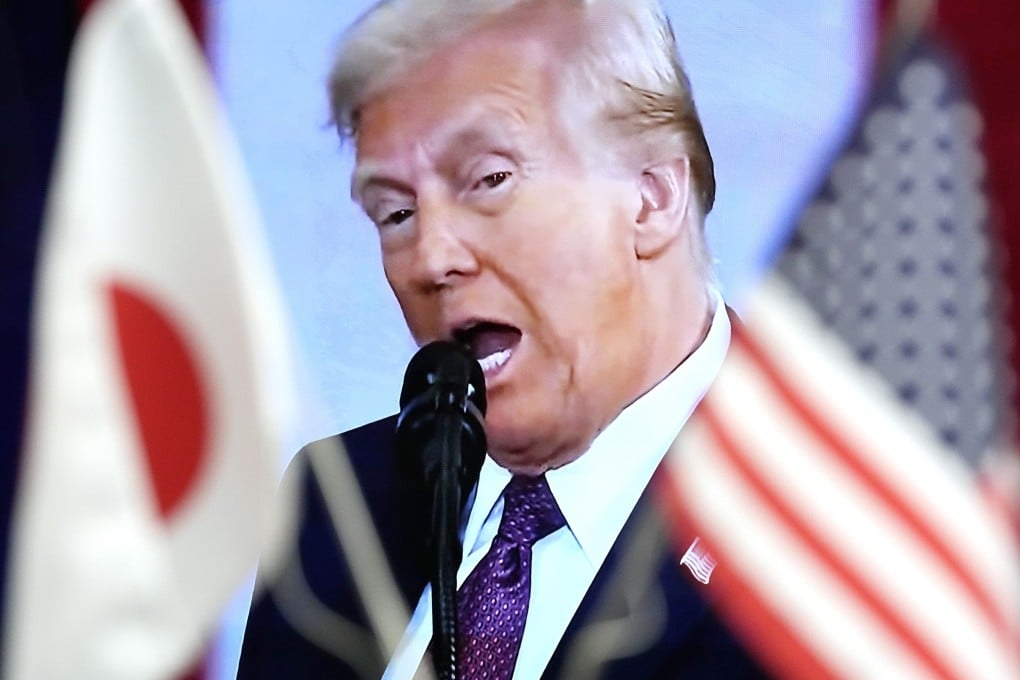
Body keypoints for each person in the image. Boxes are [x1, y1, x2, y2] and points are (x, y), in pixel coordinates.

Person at [239, 0, 767, 677]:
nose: (430, 259)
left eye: (489, 181)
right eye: (396, 213)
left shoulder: (826, 532)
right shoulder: (335, 506)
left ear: (652, 197)